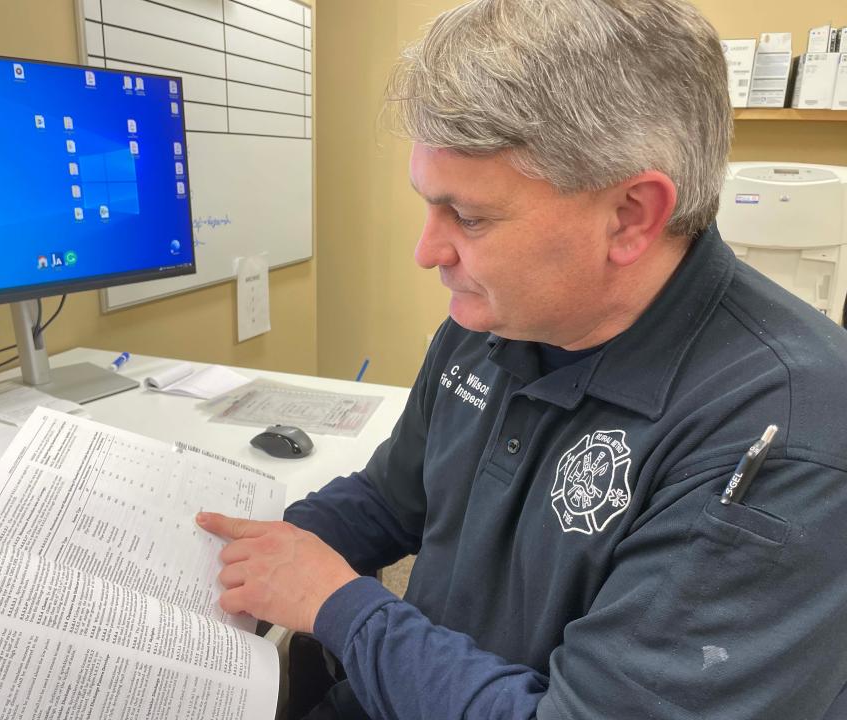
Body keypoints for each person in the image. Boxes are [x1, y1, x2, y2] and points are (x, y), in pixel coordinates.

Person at [197, 0, 847, 717]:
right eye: (429, 205)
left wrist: (340, 605)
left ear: (630, 216)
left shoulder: (786, 441)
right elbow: (393, 498)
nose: (427, 253)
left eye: (470, 218)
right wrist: (254, 552)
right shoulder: (496, 320)